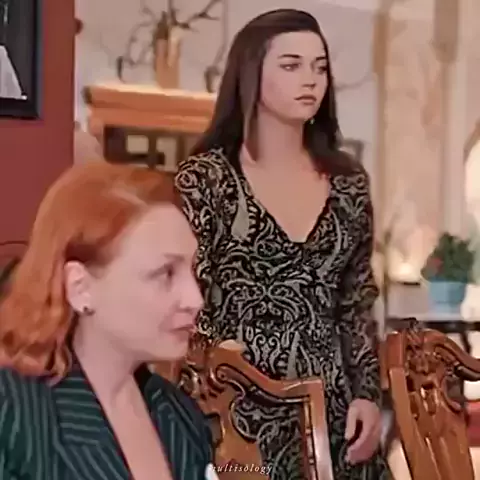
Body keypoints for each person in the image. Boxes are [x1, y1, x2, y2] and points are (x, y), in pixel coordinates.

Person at [175, 8, 391, 480]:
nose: (311, 79)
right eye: (291, 65)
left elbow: (355, 302)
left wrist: (367, 396)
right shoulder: (206, 179)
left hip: (335, 413)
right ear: (251, 72)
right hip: (235, 412)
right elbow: (187, 298)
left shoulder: (348, 184)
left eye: (320, 67)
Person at [0, 162, 217, 480]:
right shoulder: (14, 414)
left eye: (192, 270)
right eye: (165, 273)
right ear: (81, 288)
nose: (195, 299)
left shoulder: (179, 413)